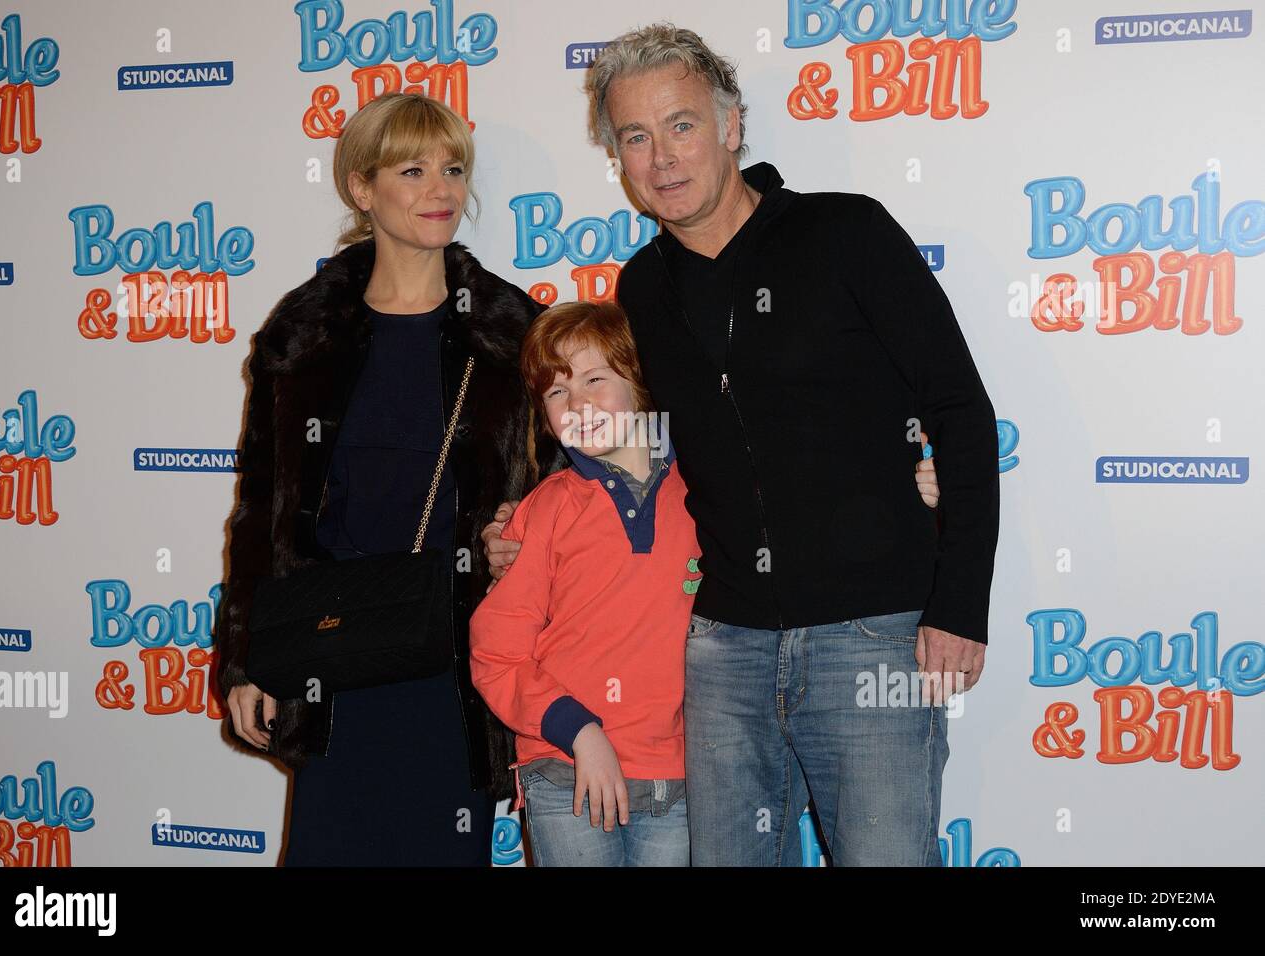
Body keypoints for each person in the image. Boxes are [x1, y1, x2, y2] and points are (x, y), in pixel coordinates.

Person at [486, 23, 998, 867]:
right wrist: (528, 519)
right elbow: (630, 437)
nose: (661, 158)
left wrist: (959, 603)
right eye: (635, 138)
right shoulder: (643, 287)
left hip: (871, 636)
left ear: (731, 126)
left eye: (681, 125)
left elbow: (959, 410)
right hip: (721, 651)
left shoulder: (847, 234)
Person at [212, 92, 565, 866]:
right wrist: (249, 658)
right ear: (362, 187)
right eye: (414, 170)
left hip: (460, 664)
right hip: (333, 656)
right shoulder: (304, 333)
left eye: (453, 169)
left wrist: (525, 541)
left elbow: (581, 494)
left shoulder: (512, 332)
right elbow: (262, 510)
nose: (442, 190)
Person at [469, 300, 696, 866]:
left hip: (684, 775)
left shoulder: (707, 496)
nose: (578, 404)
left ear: (639, 383)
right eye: (556, 392)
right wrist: (580, 731)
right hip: (565, 768)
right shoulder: (544, 511)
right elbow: (497, 652)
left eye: (596, 379)